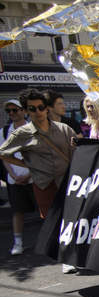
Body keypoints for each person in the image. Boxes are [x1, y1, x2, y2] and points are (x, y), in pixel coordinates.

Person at [0, 89, 76, 270]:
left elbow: (77, 152)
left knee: (71, 218)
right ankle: (65, 258)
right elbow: (3, 153)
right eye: (32, 109)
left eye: (41, 107)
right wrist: (28, 165)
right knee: (56, 221)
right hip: (44, 184)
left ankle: (74, 253)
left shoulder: (63, 129)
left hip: (67, 181)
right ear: (26, 111)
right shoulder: (22, 134)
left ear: (46, 109)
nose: (38, 112)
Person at [2, 98, 32, 255]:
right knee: (18, 211)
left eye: (15, 110)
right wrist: (13, 175)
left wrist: (28, 174)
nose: (12, 113)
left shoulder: (33, 128)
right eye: (9, 111)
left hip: (34, 178)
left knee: (46, 211)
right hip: (15, 180)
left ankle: (50, 242)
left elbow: (41, 155)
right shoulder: (4, 131)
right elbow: (3, 156)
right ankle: (18, 243)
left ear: (23, 111)